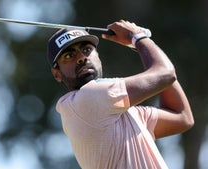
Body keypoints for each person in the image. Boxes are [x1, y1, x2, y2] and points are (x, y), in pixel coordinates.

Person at [46, 20, 194, 169]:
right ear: (57, 74)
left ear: (98, 56)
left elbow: (182, 117)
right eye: (69, 56)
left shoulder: (121, 112)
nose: (81, 58)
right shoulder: (87, 98)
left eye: (87, 50)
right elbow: (166, 74)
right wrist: (138, 39)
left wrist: (141, 45)